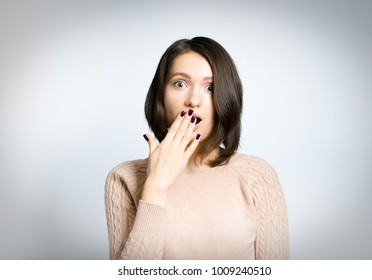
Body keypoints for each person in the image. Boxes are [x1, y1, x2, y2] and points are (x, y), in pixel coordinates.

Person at [104, 36, 289, 260]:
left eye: (210, 87)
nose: (193, 101)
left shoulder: (258, 176)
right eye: (180, 84)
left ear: (227, 97)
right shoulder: (124, 178)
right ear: (161, 95)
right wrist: (156, 185)